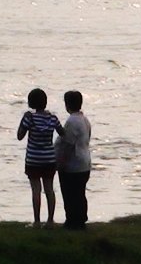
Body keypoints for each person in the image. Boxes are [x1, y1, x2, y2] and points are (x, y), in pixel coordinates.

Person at [16, 88, 64, 227]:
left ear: (31, 103)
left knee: (36, 190)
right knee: (49, 189)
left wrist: (24, 120)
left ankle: (37, 221)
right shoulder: (52, 118)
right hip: (49, 159)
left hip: (33, 159)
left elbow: (20, 136)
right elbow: (62, 133)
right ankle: (50, 220)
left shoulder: (29, 117)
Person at [55, 91, 92, 230]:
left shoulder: (71, 121)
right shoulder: (84, 120)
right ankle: (81, 218)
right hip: (84, 162)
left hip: (73, 164)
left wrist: (61, 162)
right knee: (80, 193)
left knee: (70, 193)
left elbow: (67, 144)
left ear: (67, 104)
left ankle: (72, 220)